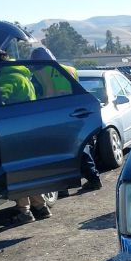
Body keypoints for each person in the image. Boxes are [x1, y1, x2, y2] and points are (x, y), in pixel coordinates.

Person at [0, 47, 51, 224]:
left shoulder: (7, 78)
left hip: (14, 131)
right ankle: (41, 206)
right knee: (28, 170)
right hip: (29, 128)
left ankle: (24, 211)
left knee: (17, 172)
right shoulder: (22, 75)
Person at [30, 46, 101, 193]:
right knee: (80, 148)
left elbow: (37, 98)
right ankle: (94, 178)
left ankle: (63, 187)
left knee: (58, 152)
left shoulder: (37, 74)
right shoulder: (70, 69)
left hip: (52, 116)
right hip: (72, 114)